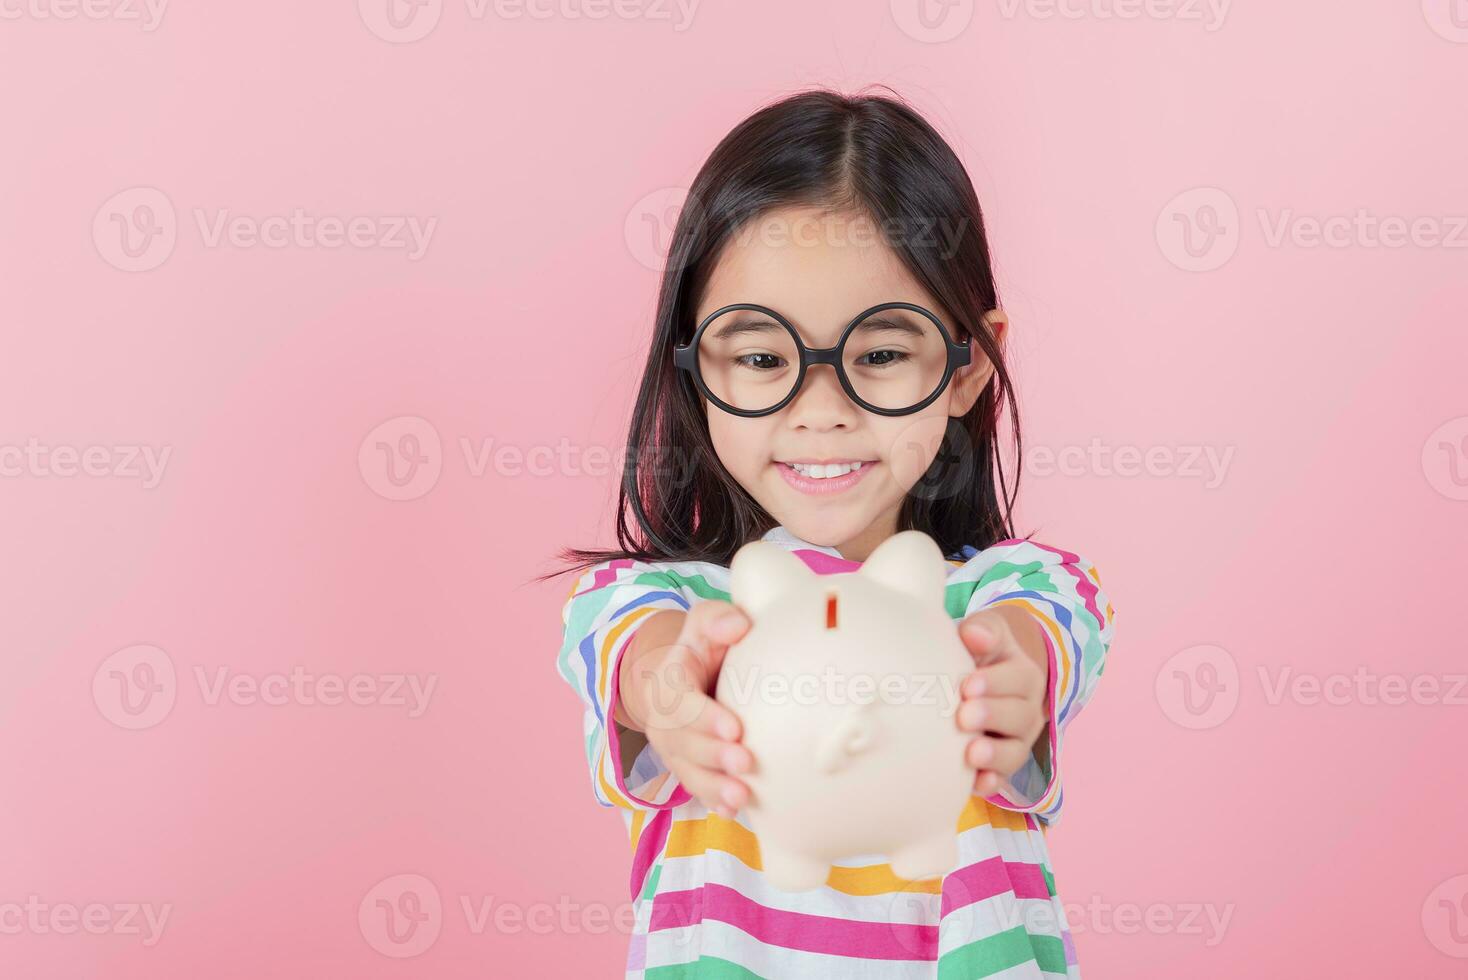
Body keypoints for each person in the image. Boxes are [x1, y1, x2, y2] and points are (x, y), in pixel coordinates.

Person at [552, 88, 1116, 979]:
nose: (823, 413)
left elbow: (1046, 634)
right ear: (695, 366)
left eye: (882, 354)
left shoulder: (1006, 595)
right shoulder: (668, 606)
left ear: (970, 362)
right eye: (764, 357)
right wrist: (674, 691)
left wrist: (1011, 673)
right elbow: (637, 659)